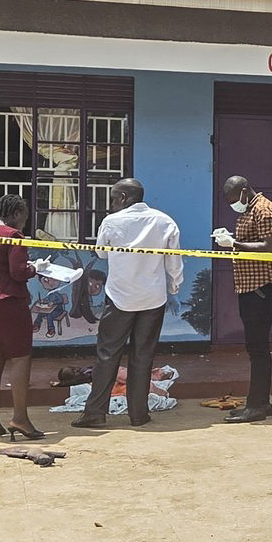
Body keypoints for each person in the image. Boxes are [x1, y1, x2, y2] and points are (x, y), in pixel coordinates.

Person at [73, 179, 180, 430]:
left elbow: (101, 252)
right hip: (153, 298)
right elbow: (174, 261)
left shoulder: (112, 222)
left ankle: (95, 412)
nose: (112, 203)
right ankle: (139, 414)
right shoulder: (165, 221)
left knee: (107, 354)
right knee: (143, 356)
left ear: (122, 198)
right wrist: (174, 287)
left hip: (120, 297)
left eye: (113, 198)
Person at [0, 195, 45, 441]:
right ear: (15, 214)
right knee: (20, 358)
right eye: (23, 217)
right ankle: (20, 418)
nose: (24, 222)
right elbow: (18, 272)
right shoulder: (13, 235)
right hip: (9, 301)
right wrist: (35, 268)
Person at [212, 175, 272, 423]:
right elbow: (252, 240)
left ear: (244, 191)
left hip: (261, 287)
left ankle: (257, 406)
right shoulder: (250, 210)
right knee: (255, 347)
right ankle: (261, 402)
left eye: (234, 199)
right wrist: (231, 238)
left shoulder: (264, 210)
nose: (233, 204)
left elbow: (267, 247)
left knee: (258, 348)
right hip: (250, 287)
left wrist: (234, 243)